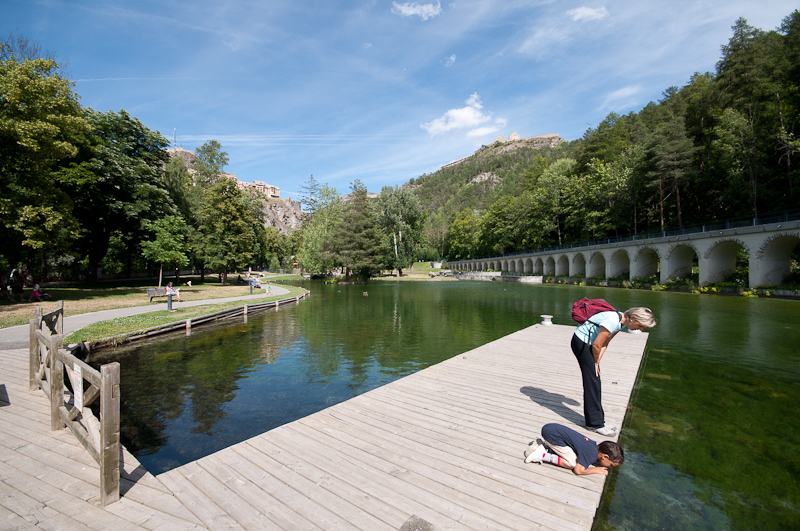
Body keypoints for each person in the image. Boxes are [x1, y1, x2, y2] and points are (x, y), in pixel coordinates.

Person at [572, 306, 656, 436]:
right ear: (633, 318)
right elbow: (596, 345)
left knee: (595, 380)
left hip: (590, 343)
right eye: (640, 326)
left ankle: (599, 421)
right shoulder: (612, 320)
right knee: (592, 382)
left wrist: (597, 361)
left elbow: (606, 341)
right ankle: (594, 424)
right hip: (581, 342)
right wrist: (595, 362)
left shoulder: (620, 322)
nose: (640, 329)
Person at [524, 422, 624, 477]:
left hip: (551, 428)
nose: (610, 467)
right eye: (611, 464)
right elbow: (578, 470)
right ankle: (542, 455)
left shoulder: (593, 445)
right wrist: (595, 470)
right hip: (552, 436)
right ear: (605, 456)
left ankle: (547, 448)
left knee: (574, 455)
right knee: (572, 463)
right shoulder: (592, 454)